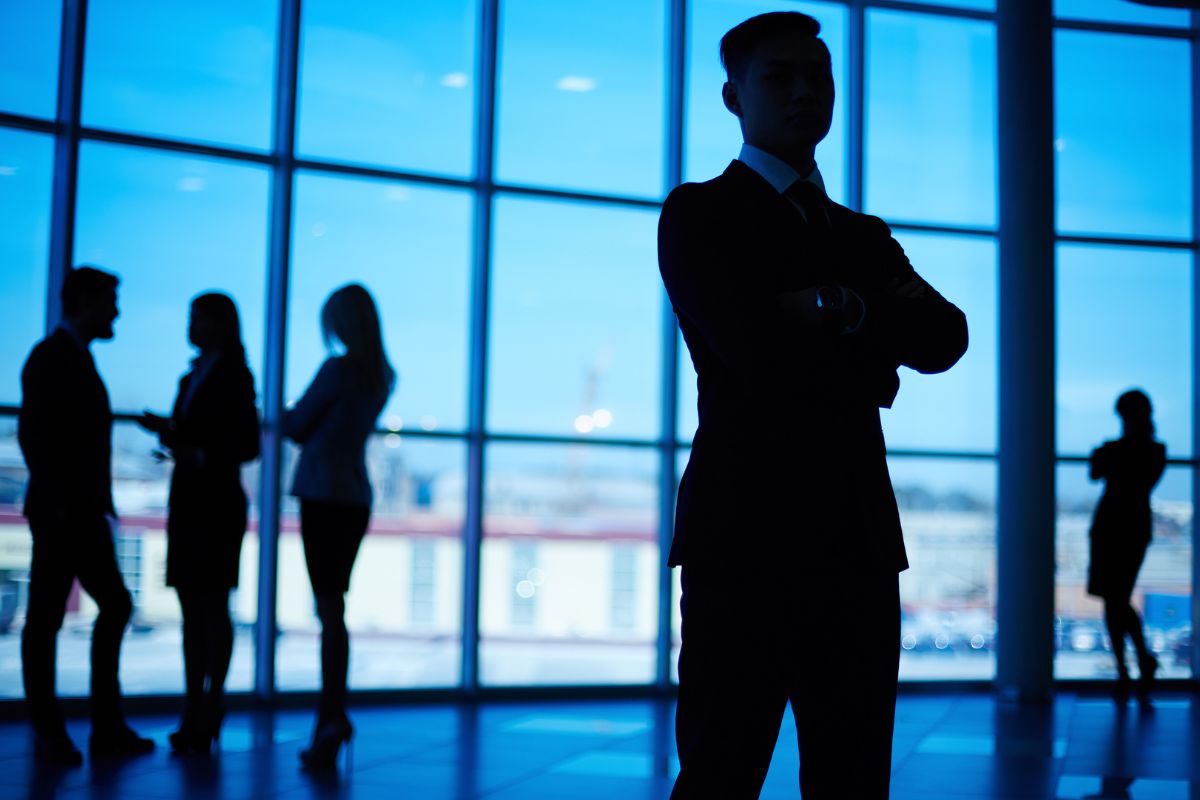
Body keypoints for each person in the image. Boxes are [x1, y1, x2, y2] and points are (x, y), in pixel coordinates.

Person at [658, 12, 968, 798]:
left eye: (817, 77)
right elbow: (748, 343)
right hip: (744, 543)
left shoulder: (862, 233)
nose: (803, 91)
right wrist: (871, 337)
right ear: (733, 96)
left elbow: (944, 337)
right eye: (778, 76)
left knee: (854, 777)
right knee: (721, 774)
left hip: (856, 544)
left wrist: (834, 308)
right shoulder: (699, 213)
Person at [18, 266, 155, 764]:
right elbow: (38, 439)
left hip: (74, 511)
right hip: (65, 512)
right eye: (110, 301)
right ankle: (71, 729)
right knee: (60, 616)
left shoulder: (67, 358)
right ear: (86, 303)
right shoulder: (56, 358)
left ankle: (78, 729)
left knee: (66, 615)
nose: (116, 312)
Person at [139, 293, 260, 753]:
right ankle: (200, 704)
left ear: (220, 325)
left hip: (213, 500)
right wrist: (174, 435)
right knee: (197, 607)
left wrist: (196, 452)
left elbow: (247, 445)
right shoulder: (194, 375)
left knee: (210, 606)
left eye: (199, 319)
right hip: (192, 499)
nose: (191, 326)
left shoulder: (232, 375)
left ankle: (209, 702)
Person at [284, 284, 394, 769]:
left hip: (324, 495)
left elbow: (297, 425)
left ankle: (330, 717)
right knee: (335, 607)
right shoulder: (379, 375)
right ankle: (334, 715)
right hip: (353, 495)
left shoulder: (338, 369)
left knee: (328, 609)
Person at [1086, 389, 1166, 705]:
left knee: (1114, 598)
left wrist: (1109, 456)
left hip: (1115, 527)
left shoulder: (1127, 450)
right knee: (1114, 598)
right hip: (1125, 528)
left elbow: (1099, 472)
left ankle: (1129, 666)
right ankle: (1136, 662)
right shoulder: (1153, 450)